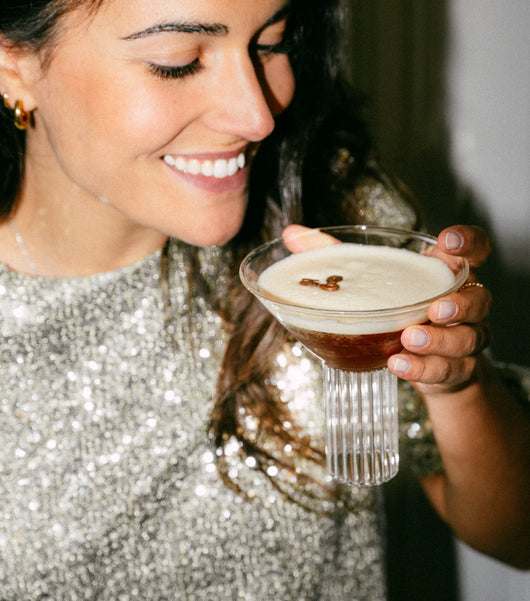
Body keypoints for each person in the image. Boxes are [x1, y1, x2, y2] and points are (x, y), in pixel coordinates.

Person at [0, 0, 528, 599]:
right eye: (177, 62)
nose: (257, 118)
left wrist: (457, 384)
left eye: (271, 42)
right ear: (13, 64)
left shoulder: (329, 230)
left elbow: (518, 535)